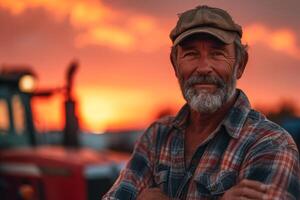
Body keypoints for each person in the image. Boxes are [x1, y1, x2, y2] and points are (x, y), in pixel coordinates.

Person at [103, 5, 300, 200]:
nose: (204, 68)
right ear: (175, 65)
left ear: (240, 64)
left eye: (217, 54)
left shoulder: (270, 144)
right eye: (191, 54)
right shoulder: (156, 137)